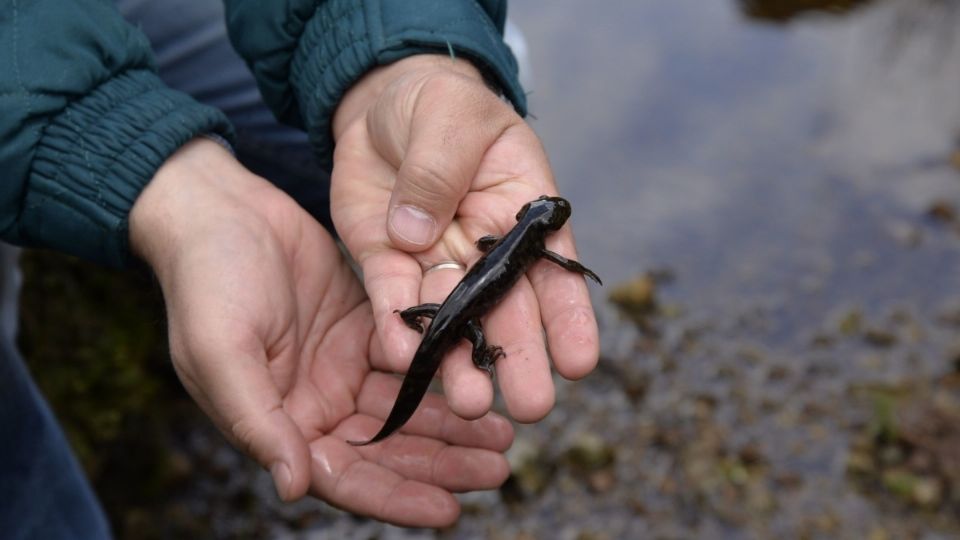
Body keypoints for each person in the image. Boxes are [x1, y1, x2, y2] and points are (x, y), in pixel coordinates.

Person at [0, 0, 600, 535]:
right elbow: (524, 254)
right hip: (454, 316)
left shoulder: (515, 242)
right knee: (454, 332)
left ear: (532, 218)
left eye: (542, 214)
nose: (543, 218)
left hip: (449, 311)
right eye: (546, 214)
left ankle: (383, 67)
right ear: (538, 225)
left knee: (440, 311)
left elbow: (499, 246)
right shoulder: (532, 248)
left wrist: (396, 59)